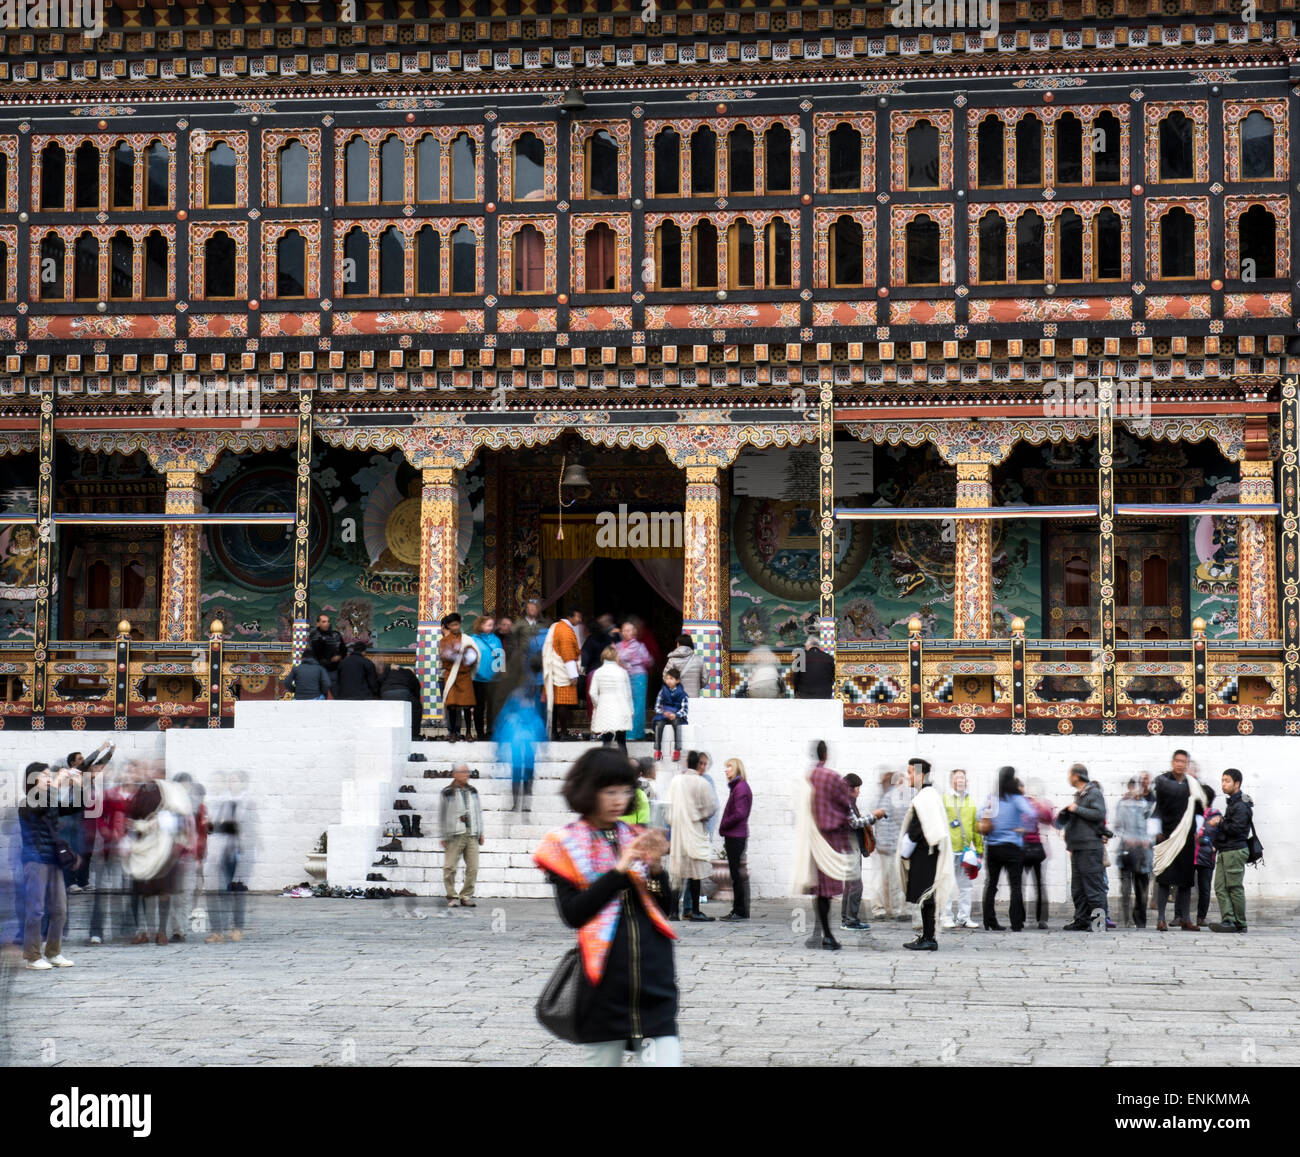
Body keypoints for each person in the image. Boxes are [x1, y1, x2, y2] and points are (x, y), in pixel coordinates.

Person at [533, 748, 679, 1066]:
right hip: (604, 987)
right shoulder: (563, 844)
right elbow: (575, 914)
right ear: (588, 791)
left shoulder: (635, 836)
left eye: (625, 791)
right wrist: (618, 871)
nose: (619, 800)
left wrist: (655, 867)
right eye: (610, 791)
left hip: (654, 980)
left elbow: (663, 909)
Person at [791, 740, 856, 950]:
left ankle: (818, 933)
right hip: (829, 839)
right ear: (825, 754)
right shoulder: (831, 777)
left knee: (819, 889)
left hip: (810, 838)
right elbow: (846, 804)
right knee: (826, 890)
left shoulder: (806, 777)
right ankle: (827, 935)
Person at [18, 763, 74, 970]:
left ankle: (53, 952)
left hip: (54, 861)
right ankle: (32, 956)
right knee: (36, 910)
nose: (48, 778)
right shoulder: (27, 803)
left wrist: (76, 784)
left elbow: (75, 806)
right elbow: (41, 805)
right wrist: (58, 783)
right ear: (33, 780)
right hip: (35, 860)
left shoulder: (50, 801)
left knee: (60, 909)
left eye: (49, 775)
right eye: (43, 775)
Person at [898, 758, 954, 951]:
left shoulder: (924, 798)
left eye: (911, 772)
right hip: (929, 855)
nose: (908, 776)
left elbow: (917, 829)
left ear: (921, 774)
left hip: (925, 856)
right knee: (927, 898)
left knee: (926, 897)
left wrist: (904, 852)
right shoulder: (931, 795)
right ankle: (928, 936)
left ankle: (929, 938)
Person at [1151, 749, 1207, 931]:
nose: (1180, 764)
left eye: (1184, 761)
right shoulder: (1162, 782)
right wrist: (1156, 832)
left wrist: (1198, 831)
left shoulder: (1193, 784)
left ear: (1187, 764)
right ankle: (1161, 919)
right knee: (1164, 879)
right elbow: (1156, 807)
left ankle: (1185, 918)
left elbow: (1199, 811)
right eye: (1177, 761)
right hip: (1167, 836)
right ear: (1172, 762)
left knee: (1185, 881)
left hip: (1187, 838)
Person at [978, 766, 1037, 932]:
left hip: (993, 846)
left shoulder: (992, 797)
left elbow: (978, 814)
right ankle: (1016, 923)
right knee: (1015, 886)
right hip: (1012, 847)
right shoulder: (1016, 798)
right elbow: (1032, 814)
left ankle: (989, 921)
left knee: (991, 884)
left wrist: (988, 814)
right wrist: (1024, 828)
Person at [1054, 763, 1108, 932]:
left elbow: (1099, 814)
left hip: (1090, 848)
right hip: (1078, 848)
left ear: (1077, 776)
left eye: (1070, 775)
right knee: (1078, 889)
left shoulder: (1094, 793)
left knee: (1093, 888)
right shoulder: (1081, 795)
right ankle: (1081, 919)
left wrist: (1077, 809)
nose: (1069, 778)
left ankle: (1099, 922)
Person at [666, 751, 716, 922]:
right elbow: (711, 807)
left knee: (677, 871)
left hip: (678, 830)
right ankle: (694, 909)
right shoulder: (701, 783)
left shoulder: (676, 781)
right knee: (695, 872)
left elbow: (668, 806)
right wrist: (700, 816)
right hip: (694, 829)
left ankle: (673, 911)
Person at [207, 770, 254, 944]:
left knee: (237, 891)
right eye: (230, 781)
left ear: (243, 783)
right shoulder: (222, 802)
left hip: (238, 852)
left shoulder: (248, 803)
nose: (231, 784)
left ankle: (237, 928)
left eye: (235, 780)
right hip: (221, 851)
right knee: (219, 892)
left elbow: (249, 830)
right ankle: (218, 930)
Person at [1208, 768, 1253, 933]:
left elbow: (1237, 830)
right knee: (1220, 886)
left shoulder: (1241, 805)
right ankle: (1228, 920)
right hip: (1226, 850)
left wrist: (1219, 823)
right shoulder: (1234, 802)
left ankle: (1240, 923)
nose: (1223, 784)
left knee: (1234, 887)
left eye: (1227, 781)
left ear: (1237, 783)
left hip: (1235, 850)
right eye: (1222, 780)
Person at [841, 773, 885, 931]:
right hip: (849, 848)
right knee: (856, 885)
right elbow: (854, 823)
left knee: (849, 885)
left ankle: (846, 919)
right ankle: (851, 920)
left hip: (847, 847)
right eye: (858, 788)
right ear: (851, 788)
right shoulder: (845, 803)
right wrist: (874, 816)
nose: (859, 792)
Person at [166, 773, 206, 943]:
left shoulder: (198, 808)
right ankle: (175, 928)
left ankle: (179, 930)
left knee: (183, 895)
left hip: (188, 857)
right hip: (170, 856)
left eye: (186, 786)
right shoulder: (167, 807)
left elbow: (202, 835)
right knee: (172, 895)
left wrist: (199, 857)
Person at [494, 686, 547, 812]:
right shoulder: (518, 718)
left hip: (524, 753)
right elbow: (503, 733)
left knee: (524, 779)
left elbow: (541, 732)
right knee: (521, 778)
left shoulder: (522, 718)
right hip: (519, 753)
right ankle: (520, 804)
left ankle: (523, 805)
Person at [942, 768, 982, 930]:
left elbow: (975, 826)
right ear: (952, 780)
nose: (960, 780)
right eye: (957, 777)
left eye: (963, 778)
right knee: (948, 885)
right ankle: (946, 916)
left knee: (966, 885)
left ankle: (964, 917)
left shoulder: (970, 801)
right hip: (949, 849)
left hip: (965, 850)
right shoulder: (945, 799)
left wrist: (979, 848)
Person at [439, 764, 483, 907]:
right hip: (455, 833)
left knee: (473, 867)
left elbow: (478, 812)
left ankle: (466, 895)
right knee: (450, 867)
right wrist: (444, 835)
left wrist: (480, 831)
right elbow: (442, 814)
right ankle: (452, 895)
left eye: (467, 772)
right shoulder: (447, 792)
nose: (466, 774)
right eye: (463, 772)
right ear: (455, 774)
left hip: (472, 833)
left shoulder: (473, 791)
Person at [868, 769, 909, 921]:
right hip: (889, 846)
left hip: (885, 845)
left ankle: (884, 909)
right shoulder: (893, 797)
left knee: (884, 879)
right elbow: (897, 822)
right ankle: (894, 910)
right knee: (892, 880)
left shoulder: (886, 796)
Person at [1115, 776, 1154, 929]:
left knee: (1141, 889)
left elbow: (1154, 827)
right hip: (1126, 851)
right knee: (1125, 888)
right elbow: (1117, 827)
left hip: (1144, 853)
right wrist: (1127, 837)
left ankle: (1140, 920)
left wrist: (1148, 839)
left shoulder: (1148, 806)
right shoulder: (1122, 805)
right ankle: (1126, 920)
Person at [718, 758, 753, 922]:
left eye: (729, 767)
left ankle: (740, 910)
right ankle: (740, 909)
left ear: (737, 768)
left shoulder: (740, 788)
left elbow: (740, 814)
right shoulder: (738, 787)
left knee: (736, 874)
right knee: (736, 873)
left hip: (735, 836)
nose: (726, 770)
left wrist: (724, 823)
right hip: (735, 835)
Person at [541, 608, 582, 740]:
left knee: (555, 702)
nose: (580, 620)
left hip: (557, 669)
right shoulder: (564, 631)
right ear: (571, 616)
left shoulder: (559, 627)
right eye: (578, 617)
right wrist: (573, 674)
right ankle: (563, 733)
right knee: (562, 703)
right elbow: (567, 653)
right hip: (562, 670)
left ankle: (554, 732)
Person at [438, 612, 479, 741]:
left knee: (467, 705)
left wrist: (463, 662)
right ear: (448, 626)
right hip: (451, 675)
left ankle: (468, 732)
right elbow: (444, 658)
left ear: (460, 624)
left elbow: (474, 655)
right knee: (452, 705)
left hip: (464, 675)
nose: (455, 627)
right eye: (452, 625)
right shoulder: (444, 641)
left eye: (456, 624)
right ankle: (453, 733)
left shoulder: (467, 639)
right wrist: (457, 656)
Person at [1020, 778, 1054, 930]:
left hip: (1027, 847)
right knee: (1036, 884)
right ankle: (1038, 918)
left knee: (1025, 884)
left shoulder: (1025, 804)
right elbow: (1048, 819)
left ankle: (1025, 918)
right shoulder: (1032, 804)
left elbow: (1048, 819)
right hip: (1031, 846)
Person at [588, 644, 633, 754]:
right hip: (621, 707)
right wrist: (631, 710)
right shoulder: (622, 672)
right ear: (615, 657)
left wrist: (598, 705)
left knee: (606, 741)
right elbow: (628, 694)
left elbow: (592, 693)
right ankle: (624, 768)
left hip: (605, 708)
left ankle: (605, 767)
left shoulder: (598, 672)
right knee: (621, 741)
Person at [616, 620, 654, 739]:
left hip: (638, 677)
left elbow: (648, 660)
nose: (626, 633)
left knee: (638, 705)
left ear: (634, 632)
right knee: (625, 704)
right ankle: (626, 731)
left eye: (629, 630)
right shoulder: (618, 645)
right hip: (623, 677)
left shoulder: (639, 646)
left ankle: (636, 733)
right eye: (624, 630)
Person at [470, 614, 505, 739]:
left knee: (492, 708)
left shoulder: (496, 640)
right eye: (488, 625)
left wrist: (500, 675)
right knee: (478, 707)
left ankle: (491, 731)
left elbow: (500, 658)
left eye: (492, 625)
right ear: (480, 625)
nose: (491, 627)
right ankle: (480, 733)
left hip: (494, 680)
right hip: (477, 679)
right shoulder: (473, 640)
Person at [1193, 785, 1219, 928]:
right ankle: (1179, 916)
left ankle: (1201, 917)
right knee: (1183, 886)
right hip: (1190, 855)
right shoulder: (1191, 813)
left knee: (1204, 888)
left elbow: (1220, 834)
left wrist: (1214, 847)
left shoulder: (1215, 814)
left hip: (1206, 856)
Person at [378, 659, 424, 740]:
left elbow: (379, 682)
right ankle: (414, 735)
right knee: (416, 708)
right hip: (402, 692)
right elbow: (416, 688)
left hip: (385, 693)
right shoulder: (409, 673)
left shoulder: (388, 672)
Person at [652, 667, 688, 763]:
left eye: (671, 679)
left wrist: (676, 715)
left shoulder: (683, 694)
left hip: (675, 715)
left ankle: (677, 750)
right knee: (659, 725)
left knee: (677, 724)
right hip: (664, 714)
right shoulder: (662, 692)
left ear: (677, 680)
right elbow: (656, 707)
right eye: (667, 678)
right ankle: (658, 750)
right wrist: (663, 712)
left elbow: (684, 710)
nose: (668, 681)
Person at [580, 613, 619, 697]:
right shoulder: (609, 638)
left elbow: (585, 657)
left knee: (593, 696)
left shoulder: (590, 640)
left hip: (593, 673)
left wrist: (582, 669)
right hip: (608, 672)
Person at [308, 612, 347, 690]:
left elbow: (344, 650)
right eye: (324, 622)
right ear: (318, 624)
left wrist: (339, 656)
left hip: (334, 670)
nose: (327, 624)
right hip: (318, 669)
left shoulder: (336, 635)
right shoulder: (314, 636)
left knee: (334, 691)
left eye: (328, 621)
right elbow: (315, 653)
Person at [663, 633, 704, 698]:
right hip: (694, 696)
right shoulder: (699, 659)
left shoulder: (672, 660)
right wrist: (696, 686)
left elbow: (665, 677)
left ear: (678, 644)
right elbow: (704, 679)